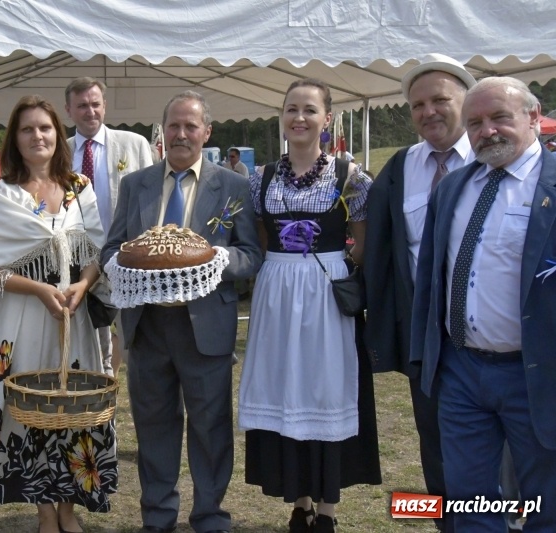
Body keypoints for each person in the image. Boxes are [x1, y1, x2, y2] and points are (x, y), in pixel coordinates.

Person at [101, 90, 262, 533]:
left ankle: (209, 515)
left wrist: (216, 259)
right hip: (148, 326)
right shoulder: (136, 184)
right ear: (162, 131)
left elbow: (252, 255)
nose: (181, 134)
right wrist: (124, 262)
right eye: (173, 125)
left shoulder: (233, 186)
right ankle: (158, 517)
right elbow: (113, 247)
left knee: (211, 429)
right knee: (154, 427)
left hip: (206, 327)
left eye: (191, 126)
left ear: (207, 133)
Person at [0, 95, 116, 533]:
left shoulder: (79, 188)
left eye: (45, 127)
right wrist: (42, 289)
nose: (37, 136)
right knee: (29, 412)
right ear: (16, 139)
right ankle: (45, 510)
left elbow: (96, 249)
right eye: (27, 129)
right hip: (22, 320)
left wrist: (82, 286)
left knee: (72, 410)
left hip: (72, 318)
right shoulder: (1, 196)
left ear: (57, 133)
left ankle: (69, 507)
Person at [411, 76, 556, 532]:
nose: (486, 131)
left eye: (500, 118)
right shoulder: (453, 188)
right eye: (474, 122)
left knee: (543, 505)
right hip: (462, 373)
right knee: (469, 503)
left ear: (533, 118)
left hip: (534, 373)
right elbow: (431, 279)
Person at [238, 79, 380, 533]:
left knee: (325, 385)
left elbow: (364, 243)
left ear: (327, 118)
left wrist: (336, 266)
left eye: (310, 110)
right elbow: (261, 240)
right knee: (286, 385)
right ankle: (299, 500)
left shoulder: (349, 176)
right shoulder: (259, 178)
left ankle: (329, 507)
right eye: (291, 108)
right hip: (277, 290)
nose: (299, 117)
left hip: (325, 291)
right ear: (281, 116)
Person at [363, 53, 476, 532]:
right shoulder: (400, 168)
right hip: (428, 340)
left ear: (467, 101)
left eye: (440, 100)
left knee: (507, 452)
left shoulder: (497, 158)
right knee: (435, 445)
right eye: (417, 105)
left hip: (495, 340)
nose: (428, 112)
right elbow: (381, 251)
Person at [65, 76, 154, 376]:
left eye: (95, 104)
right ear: (69, 110)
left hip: (126, 259)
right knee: (92, 345)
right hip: (79, 263)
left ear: (105, 106)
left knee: (137, 345)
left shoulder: (134, 144)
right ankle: (101, 394)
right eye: (82, 106)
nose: (90, 112)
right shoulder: (59, 154)